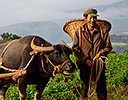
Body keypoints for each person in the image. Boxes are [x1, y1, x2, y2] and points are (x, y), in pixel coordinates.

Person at [72, 8, 112, 100]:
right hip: (84, 66)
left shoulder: (103, 31)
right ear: (85, 18)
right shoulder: (79, 31)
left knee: (101, 88)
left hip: (99, 65)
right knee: (85, 88)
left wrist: (100, 54)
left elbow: (108, 47)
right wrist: (85, 60)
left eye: (94, 18)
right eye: (90, 18)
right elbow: (75, 49)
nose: (92, 20)